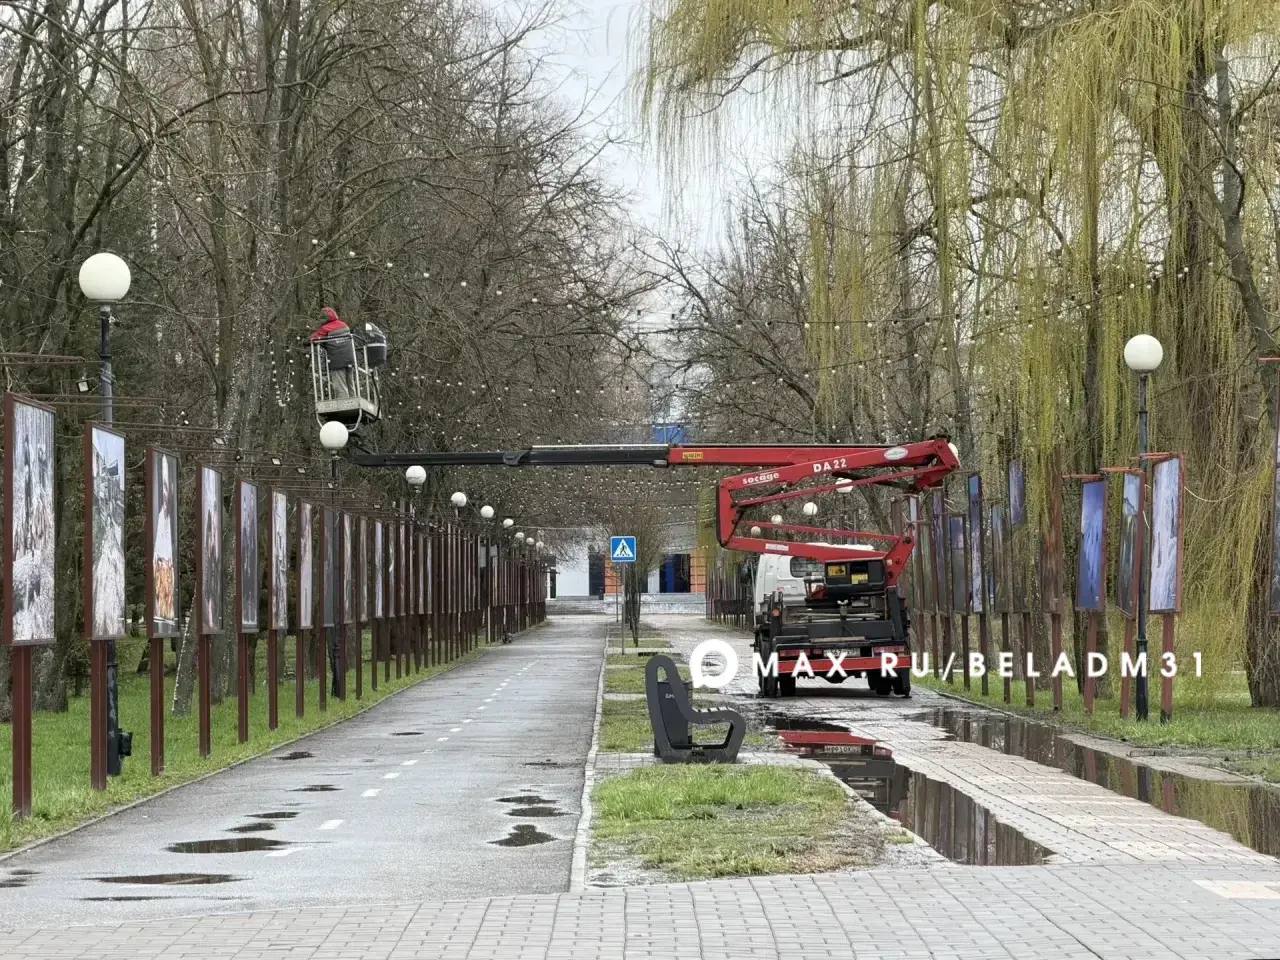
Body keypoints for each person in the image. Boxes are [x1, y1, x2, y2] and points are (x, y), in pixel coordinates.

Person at [310, 307, 354, 398]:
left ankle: (344, 406)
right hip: (349, 358)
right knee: (350, 383)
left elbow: (314, 339)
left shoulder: (326, 328)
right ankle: (353, 401)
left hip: (337, 360)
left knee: (340, 386)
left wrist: (305, 341)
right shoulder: (344, 324)